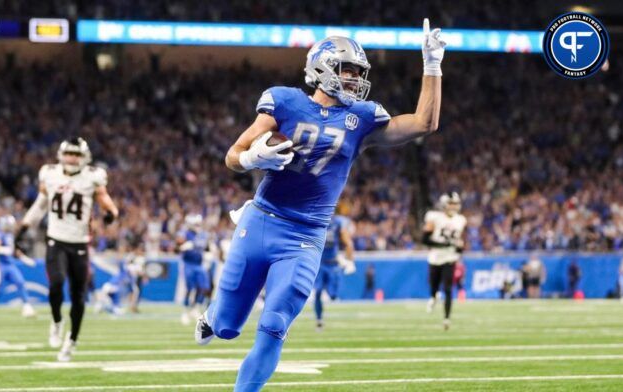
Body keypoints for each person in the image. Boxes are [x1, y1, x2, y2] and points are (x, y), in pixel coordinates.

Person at [195, 19, 445, 391]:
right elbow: (233, 154)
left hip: (306, 234)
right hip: (261, 221)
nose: (354, 79)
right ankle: (215, 314)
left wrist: (432, 66)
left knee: (275, 322)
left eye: (359, 72)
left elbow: (424, 123)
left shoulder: (360, 118)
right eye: (348, 70)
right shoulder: (284, 101)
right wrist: (252, 159)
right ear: (322, 66)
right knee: (228, 327)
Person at [15, 137, 119, 362]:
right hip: (56, 239)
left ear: (84, 158)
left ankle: (71, 340)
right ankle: (56, 321)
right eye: (69, 154)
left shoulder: (92, 177)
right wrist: (24, 226)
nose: (72, 158)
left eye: (77, 155)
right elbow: (41, 204)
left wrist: (111, 213)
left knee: (78, 297)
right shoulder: (50, 174)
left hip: (80, 243)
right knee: (56, 283)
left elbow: (105, 201)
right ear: (62, 155)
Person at [423, 192, 467, 330]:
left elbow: (460, 242)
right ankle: (433, 296)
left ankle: (446, 318)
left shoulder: (461, 220)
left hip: (450, 257)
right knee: (434, 286)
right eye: (450, 203)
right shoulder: (434, 217)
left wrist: (459, 248)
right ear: (444, 204)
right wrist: (444, 245)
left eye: (455, 203)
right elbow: (425, 240)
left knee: (448, 289)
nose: (453, 206)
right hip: (435, 256)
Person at [0, 215, 36, 318]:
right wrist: (6, 251)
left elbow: (13, 251)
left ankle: (27, 306)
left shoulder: (10, 236)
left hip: (10, 264)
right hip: (1, 265)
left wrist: (24, 258)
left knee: (20, 283)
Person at [314, 214, 355, 330]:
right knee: (318, 292)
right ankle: (319, 319)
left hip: (333, 264)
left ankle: (328, 288)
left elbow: (348, 242)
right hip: (320, 263)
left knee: (333, 296)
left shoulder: (337, 223)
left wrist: (349, 260)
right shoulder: (317, 220)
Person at [177, 214, 214, 325]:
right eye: (196, 224)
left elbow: (207, 248)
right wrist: (182, 247)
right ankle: (185, 312)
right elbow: (176, 246)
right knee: (190, 289)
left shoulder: (203, 235)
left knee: (204, 287)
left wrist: (209, 254)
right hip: (188, 263)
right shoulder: (184, 233)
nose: (198, 226)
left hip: (199, 264)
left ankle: (195, 308)